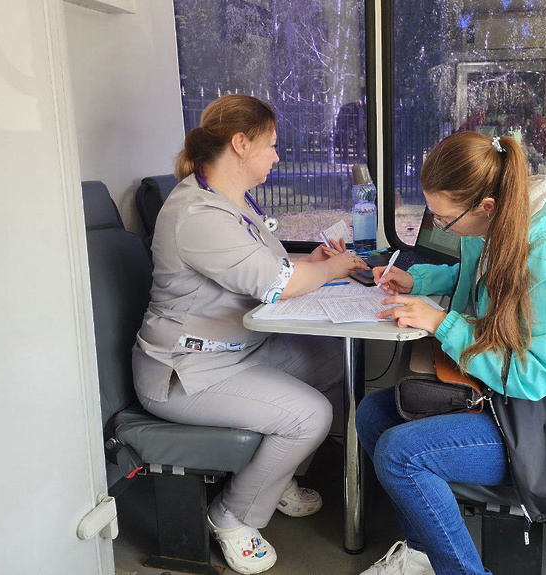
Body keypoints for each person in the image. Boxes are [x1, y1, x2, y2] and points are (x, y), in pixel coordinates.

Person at [355, 131, 546, 575]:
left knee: (400, 453)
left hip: (545, 425)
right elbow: (476, 275)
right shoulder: (501, 224)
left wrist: (441, 323)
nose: (440, 227)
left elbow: (531, 377)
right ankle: (422, 554)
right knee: (373, 415)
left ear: (485, 207)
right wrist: (419, 280)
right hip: (507, 399)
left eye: (444, 219)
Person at [132, 94, 368, 575]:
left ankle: (274, 478)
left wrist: (310, 263)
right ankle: (232, 516)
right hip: (184, 373)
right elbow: (277, 284)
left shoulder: (232, 202)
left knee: (333, 361)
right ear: (241, 143)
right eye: (272, 145)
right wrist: (333, 268)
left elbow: (267, 267)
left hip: (239, 350)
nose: (277, 156)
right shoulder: (197, 214)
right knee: (310, 415)